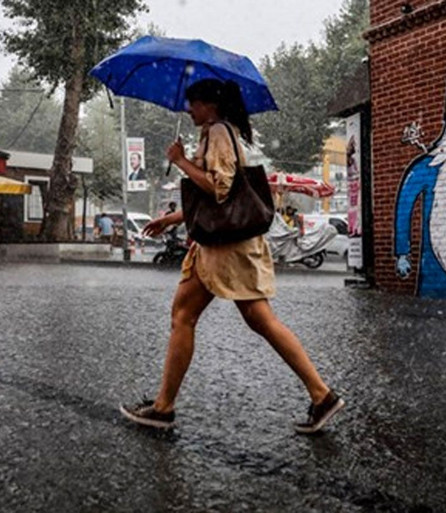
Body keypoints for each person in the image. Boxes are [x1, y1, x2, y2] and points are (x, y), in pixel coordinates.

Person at [119, 78, 344, 434]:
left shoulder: (220, 132)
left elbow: (219, 190)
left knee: (217, 317)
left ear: (210, 105)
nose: (188, 109)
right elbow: (214, 197)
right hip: (222, 246)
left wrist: (179, 161)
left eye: (193, 103)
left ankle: (165, 408)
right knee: (200, 316)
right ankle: (321, 395)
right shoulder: (217, 132)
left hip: (227, 249)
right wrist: (172, 218)